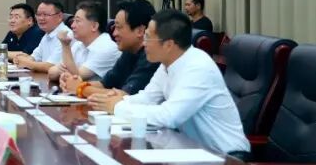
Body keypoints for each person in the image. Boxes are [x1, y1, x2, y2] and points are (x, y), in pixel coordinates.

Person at [89, 9, 249, 155]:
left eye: (148, 37)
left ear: (168, 45)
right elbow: (148, 98)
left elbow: (169, 116)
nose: (144, 43)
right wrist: (118, 100)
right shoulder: (168, 63)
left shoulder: (198, 68)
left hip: (226, 156)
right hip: (192, 151)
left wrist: (117, 107)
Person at [61, 0, 158, 98]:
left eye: (119, 27)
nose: (114, 33)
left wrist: (80, 88)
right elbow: (104, 84)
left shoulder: (152, 57)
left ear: (140, 31)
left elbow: (126, 96)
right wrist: (73, 83)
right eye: (114, 27)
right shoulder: (129, 51)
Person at [50, 0, 120, 82]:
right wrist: (61, 69)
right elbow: (51, 72)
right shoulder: (79, 44)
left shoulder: (107, 47)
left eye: (77, 21)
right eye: (73, 21)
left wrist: (65, 45)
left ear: (94, 26)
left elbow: (75, 77)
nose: (72, 25)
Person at [12, 0, 78, 72]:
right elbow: (34, 57)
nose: (41, 18)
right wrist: (21, 59)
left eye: (46, 15)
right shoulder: (47, 34)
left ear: (59, 16)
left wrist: (26, 63)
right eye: (38, 14)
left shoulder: (66, 35)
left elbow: (51, 66)